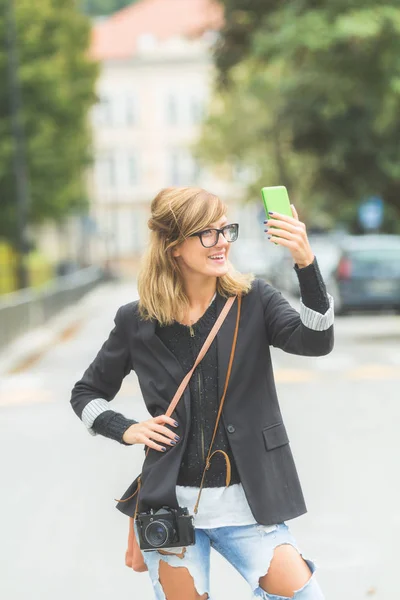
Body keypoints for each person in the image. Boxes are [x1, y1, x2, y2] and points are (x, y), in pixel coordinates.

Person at [70, 187, 334, 600]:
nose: (223, 241)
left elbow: (316, 342)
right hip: (170, 510)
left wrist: (305, 263)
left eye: (225, 229)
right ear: (174, 247)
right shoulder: (136, 321)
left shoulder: (254, 301)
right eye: (207, 233)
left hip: (250, 506)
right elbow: (86, 393)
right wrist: (125, 428)